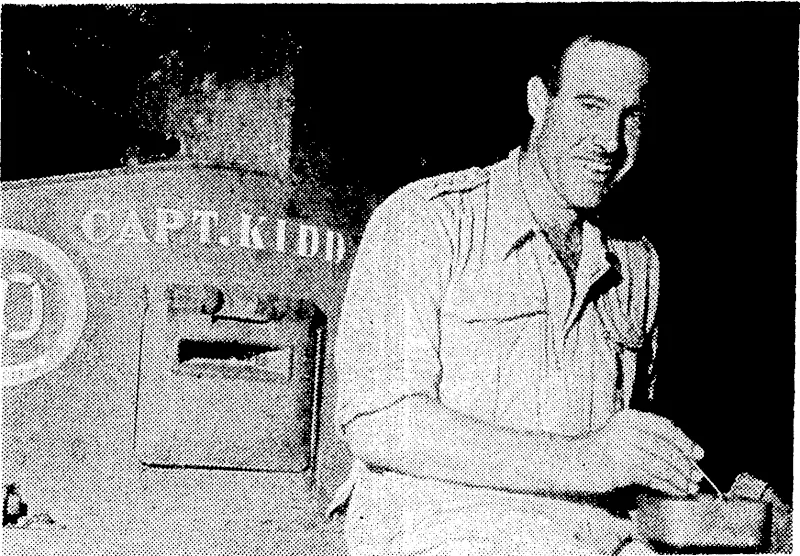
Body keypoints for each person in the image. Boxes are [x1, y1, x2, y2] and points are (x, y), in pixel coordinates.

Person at [332, 33, 704, 555]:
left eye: (632, 117)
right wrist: (592, 463)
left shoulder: (637, 262)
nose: (610, 141)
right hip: (440, 535)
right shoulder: (428, 221)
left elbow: (622, 461)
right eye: (590, 107)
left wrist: (692, 490)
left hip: (588, 539)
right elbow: (382, 427)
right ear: (539, 101)